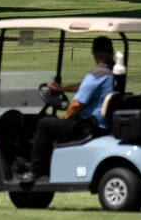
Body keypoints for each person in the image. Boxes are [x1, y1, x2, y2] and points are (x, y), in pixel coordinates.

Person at [19, 35, 115, 182]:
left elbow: (76, 105)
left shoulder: (96, 74)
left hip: (89, 126)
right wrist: (62, 88)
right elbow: (84, 86)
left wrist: (67, 117)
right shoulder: (113, 72)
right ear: (111, 52)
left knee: (45, 124)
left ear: (94, 54)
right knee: (52, 123)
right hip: (104, 123)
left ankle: (37, 170)